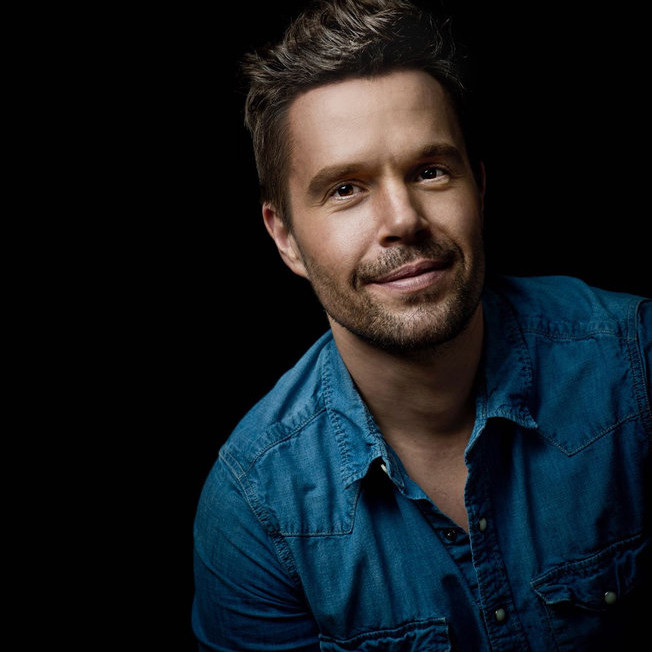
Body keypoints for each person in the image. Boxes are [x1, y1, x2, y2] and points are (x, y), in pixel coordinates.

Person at [192, 0, 651, 649]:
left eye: (430, 171)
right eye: (346, 188)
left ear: (478, 188)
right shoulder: (254, 512)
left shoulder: (637, 364)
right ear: (285, 236)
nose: (403, 219)